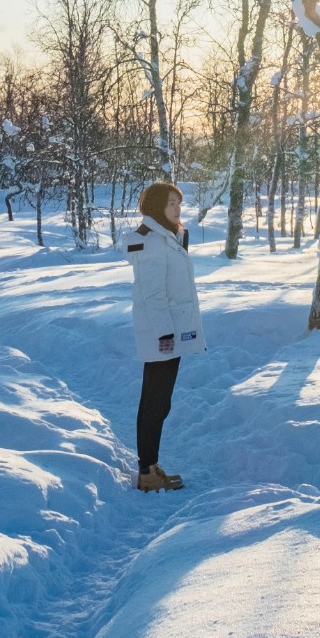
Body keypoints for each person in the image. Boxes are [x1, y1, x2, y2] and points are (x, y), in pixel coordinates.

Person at [125, 180, 205, 492]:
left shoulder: (169, 237)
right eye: (171, 203)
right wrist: (165, 335)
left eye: (178, 203)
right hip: (162, 333)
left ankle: (151, 463)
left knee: (159, 401)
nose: (177, 209)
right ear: (157, 206)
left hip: (169, 330)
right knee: (155, 401)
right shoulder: (151, 242)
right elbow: (154, 295)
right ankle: (147, 471)